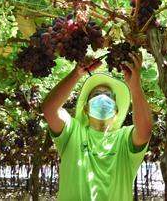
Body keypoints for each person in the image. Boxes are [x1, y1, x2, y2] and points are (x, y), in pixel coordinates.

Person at [41, 52, 153, 201]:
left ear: (116, 110)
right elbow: (49, 109)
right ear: (86, 109)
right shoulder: (73, 132)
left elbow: (145, 132)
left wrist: (136, 87)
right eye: (96, 95)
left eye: (108, 95)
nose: (103, 97)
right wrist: (76, 74)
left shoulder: (124, 139)